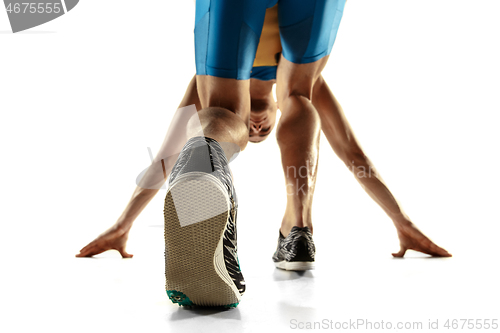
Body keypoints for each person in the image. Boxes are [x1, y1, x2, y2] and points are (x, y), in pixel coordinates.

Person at [77, 1, 450, 307]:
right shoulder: (302, 88)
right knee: (300, 97)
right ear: (274, 111)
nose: (255, 128)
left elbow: (170, 154)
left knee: (222, 112)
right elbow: (353, 154)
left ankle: (223, 167)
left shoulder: (203, 88)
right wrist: (403, 224)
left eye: (256, 132)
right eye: (261, 130)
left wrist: (124, 224)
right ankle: (297, 229)